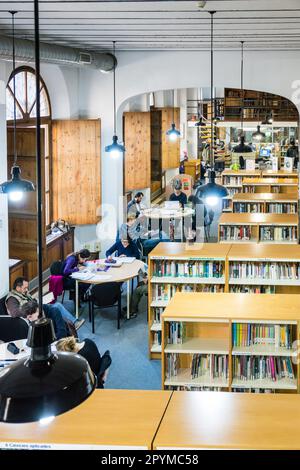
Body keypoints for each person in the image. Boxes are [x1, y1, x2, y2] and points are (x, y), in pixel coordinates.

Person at [5, 277, 84, 330]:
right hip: (32, 315)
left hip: (36, 308)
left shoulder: (23, 293)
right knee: (56, 307)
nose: (26, 290)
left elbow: (31, 300)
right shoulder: (12, 299)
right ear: (18, 288)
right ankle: (72, 324)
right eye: (25, 288)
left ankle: (71, 324)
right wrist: (30, 308)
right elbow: (14, 313)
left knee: (57, 306)